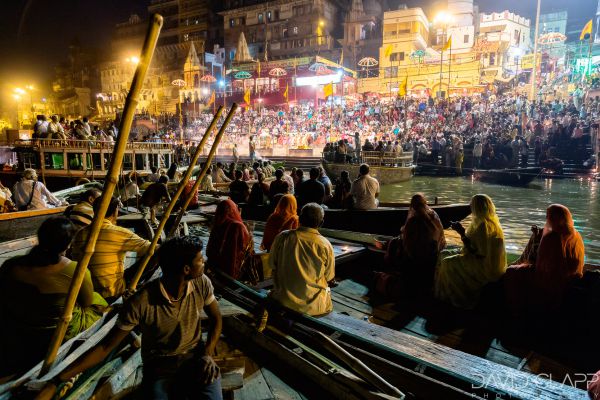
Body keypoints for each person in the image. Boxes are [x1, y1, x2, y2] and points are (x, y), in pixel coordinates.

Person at [36, 236, 223, 400]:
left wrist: (207, 354)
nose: (204, 261)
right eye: (200, 259)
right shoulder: (141, 301)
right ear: (186, 269)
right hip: (160, 367)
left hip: (196, 359)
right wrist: (57, 381)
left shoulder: (201, 282)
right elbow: (105, 347)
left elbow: (216, 319)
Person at [0, 217, 107, 377]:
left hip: (17, 321)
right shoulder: (77, 271)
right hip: (52, 332)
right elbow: (86, 303)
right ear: (68, 244)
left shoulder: (11, 264)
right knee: (97, 300)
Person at [504, 204, 585, 314]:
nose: (547, 219)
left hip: (553, 282)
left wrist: (536, 243)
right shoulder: (577, 235)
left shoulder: (552, 236)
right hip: (572, 278)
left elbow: (540, 267)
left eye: (548, 216)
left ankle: (515, 311)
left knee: (512, 271)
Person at [71, 197, 152, 301]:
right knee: (154, 254)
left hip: (86, 293)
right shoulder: (118, 232)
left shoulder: (80, 233)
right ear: (115, 212)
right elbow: (153, 248)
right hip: (111, 294)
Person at [434, 194, 506, 309]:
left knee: (447, 262)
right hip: (476, 257)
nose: (470, 207)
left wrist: (461, 232)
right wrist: (462, 232)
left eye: (472, 205)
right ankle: (444, 294)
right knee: (443, 253)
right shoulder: (481, 222)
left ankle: (456, 299)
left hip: (482, 266)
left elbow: (477, 253)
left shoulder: (484, 226)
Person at [374, 194, 446, 299]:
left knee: (394, 245)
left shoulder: (413, 220)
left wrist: (390, 244)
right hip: (432, 261)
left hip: (412, 268)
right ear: (425, 203)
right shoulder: (434, 215)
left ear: (412, 206)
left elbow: (405, 240)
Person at [269, 203, 335, 316]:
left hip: (282, 300)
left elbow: (272, 265)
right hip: (313, 308)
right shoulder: (325, 244)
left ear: (299, 218)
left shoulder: (282, 237)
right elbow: (329, 277)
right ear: (321, 223)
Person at [206, 199, 251, 279]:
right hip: (231, 272)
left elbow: (210, 251)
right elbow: (238, 252)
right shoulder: (238, 226)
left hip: (215, 269)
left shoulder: (217, 224)